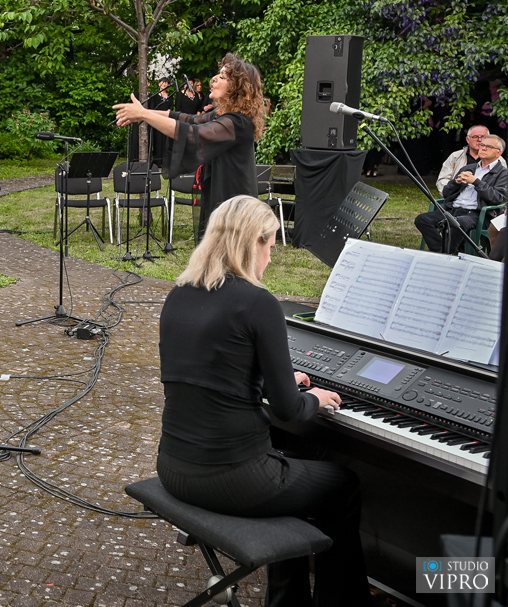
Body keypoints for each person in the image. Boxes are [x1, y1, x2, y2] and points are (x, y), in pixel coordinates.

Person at [157, 195, 370, 607]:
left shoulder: (178, 293)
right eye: (270, 245)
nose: (271, 258)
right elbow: (290, 410)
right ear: (253, 242)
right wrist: (317, 398)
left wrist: (269, 377)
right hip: (231, 480)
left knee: (293, 458)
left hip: (173, 467)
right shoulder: (259, 302)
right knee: (344, 485)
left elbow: (213, 370)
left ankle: (288, 599)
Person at [114, 53, 265, 239]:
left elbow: (195, 134)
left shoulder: (237, 123)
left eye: (223, 77)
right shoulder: (222, 117)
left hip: (237, 206)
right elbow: (189, 119)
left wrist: (144, 115)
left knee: (231, 263)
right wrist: (144, 112)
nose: (214, 79)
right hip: (222, 198)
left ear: (237, 88)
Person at [415, 134, 508, 254]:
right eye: (482, 145)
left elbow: (498, 198)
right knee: (422, 219)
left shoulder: (503, 174)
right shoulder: (468, 168)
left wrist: (476, 182)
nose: (483, 148)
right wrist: (455, 182)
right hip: (453, 209)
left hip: (477, 214)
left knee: (458, 222)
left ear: (499, 153)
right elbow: (446, 193)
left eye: (489, 146)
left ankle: (445, 253)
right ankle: (443, 252)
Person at [436, 125, 505, 196]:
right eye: (475, 137)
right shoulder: (455, 156)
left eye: (483, 137)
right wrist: (452, 193)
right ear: (468, 139)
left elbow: (501, 188)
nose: (480, 140)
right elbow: (443, 180)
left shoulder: (498, 160)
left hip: (485, 200)